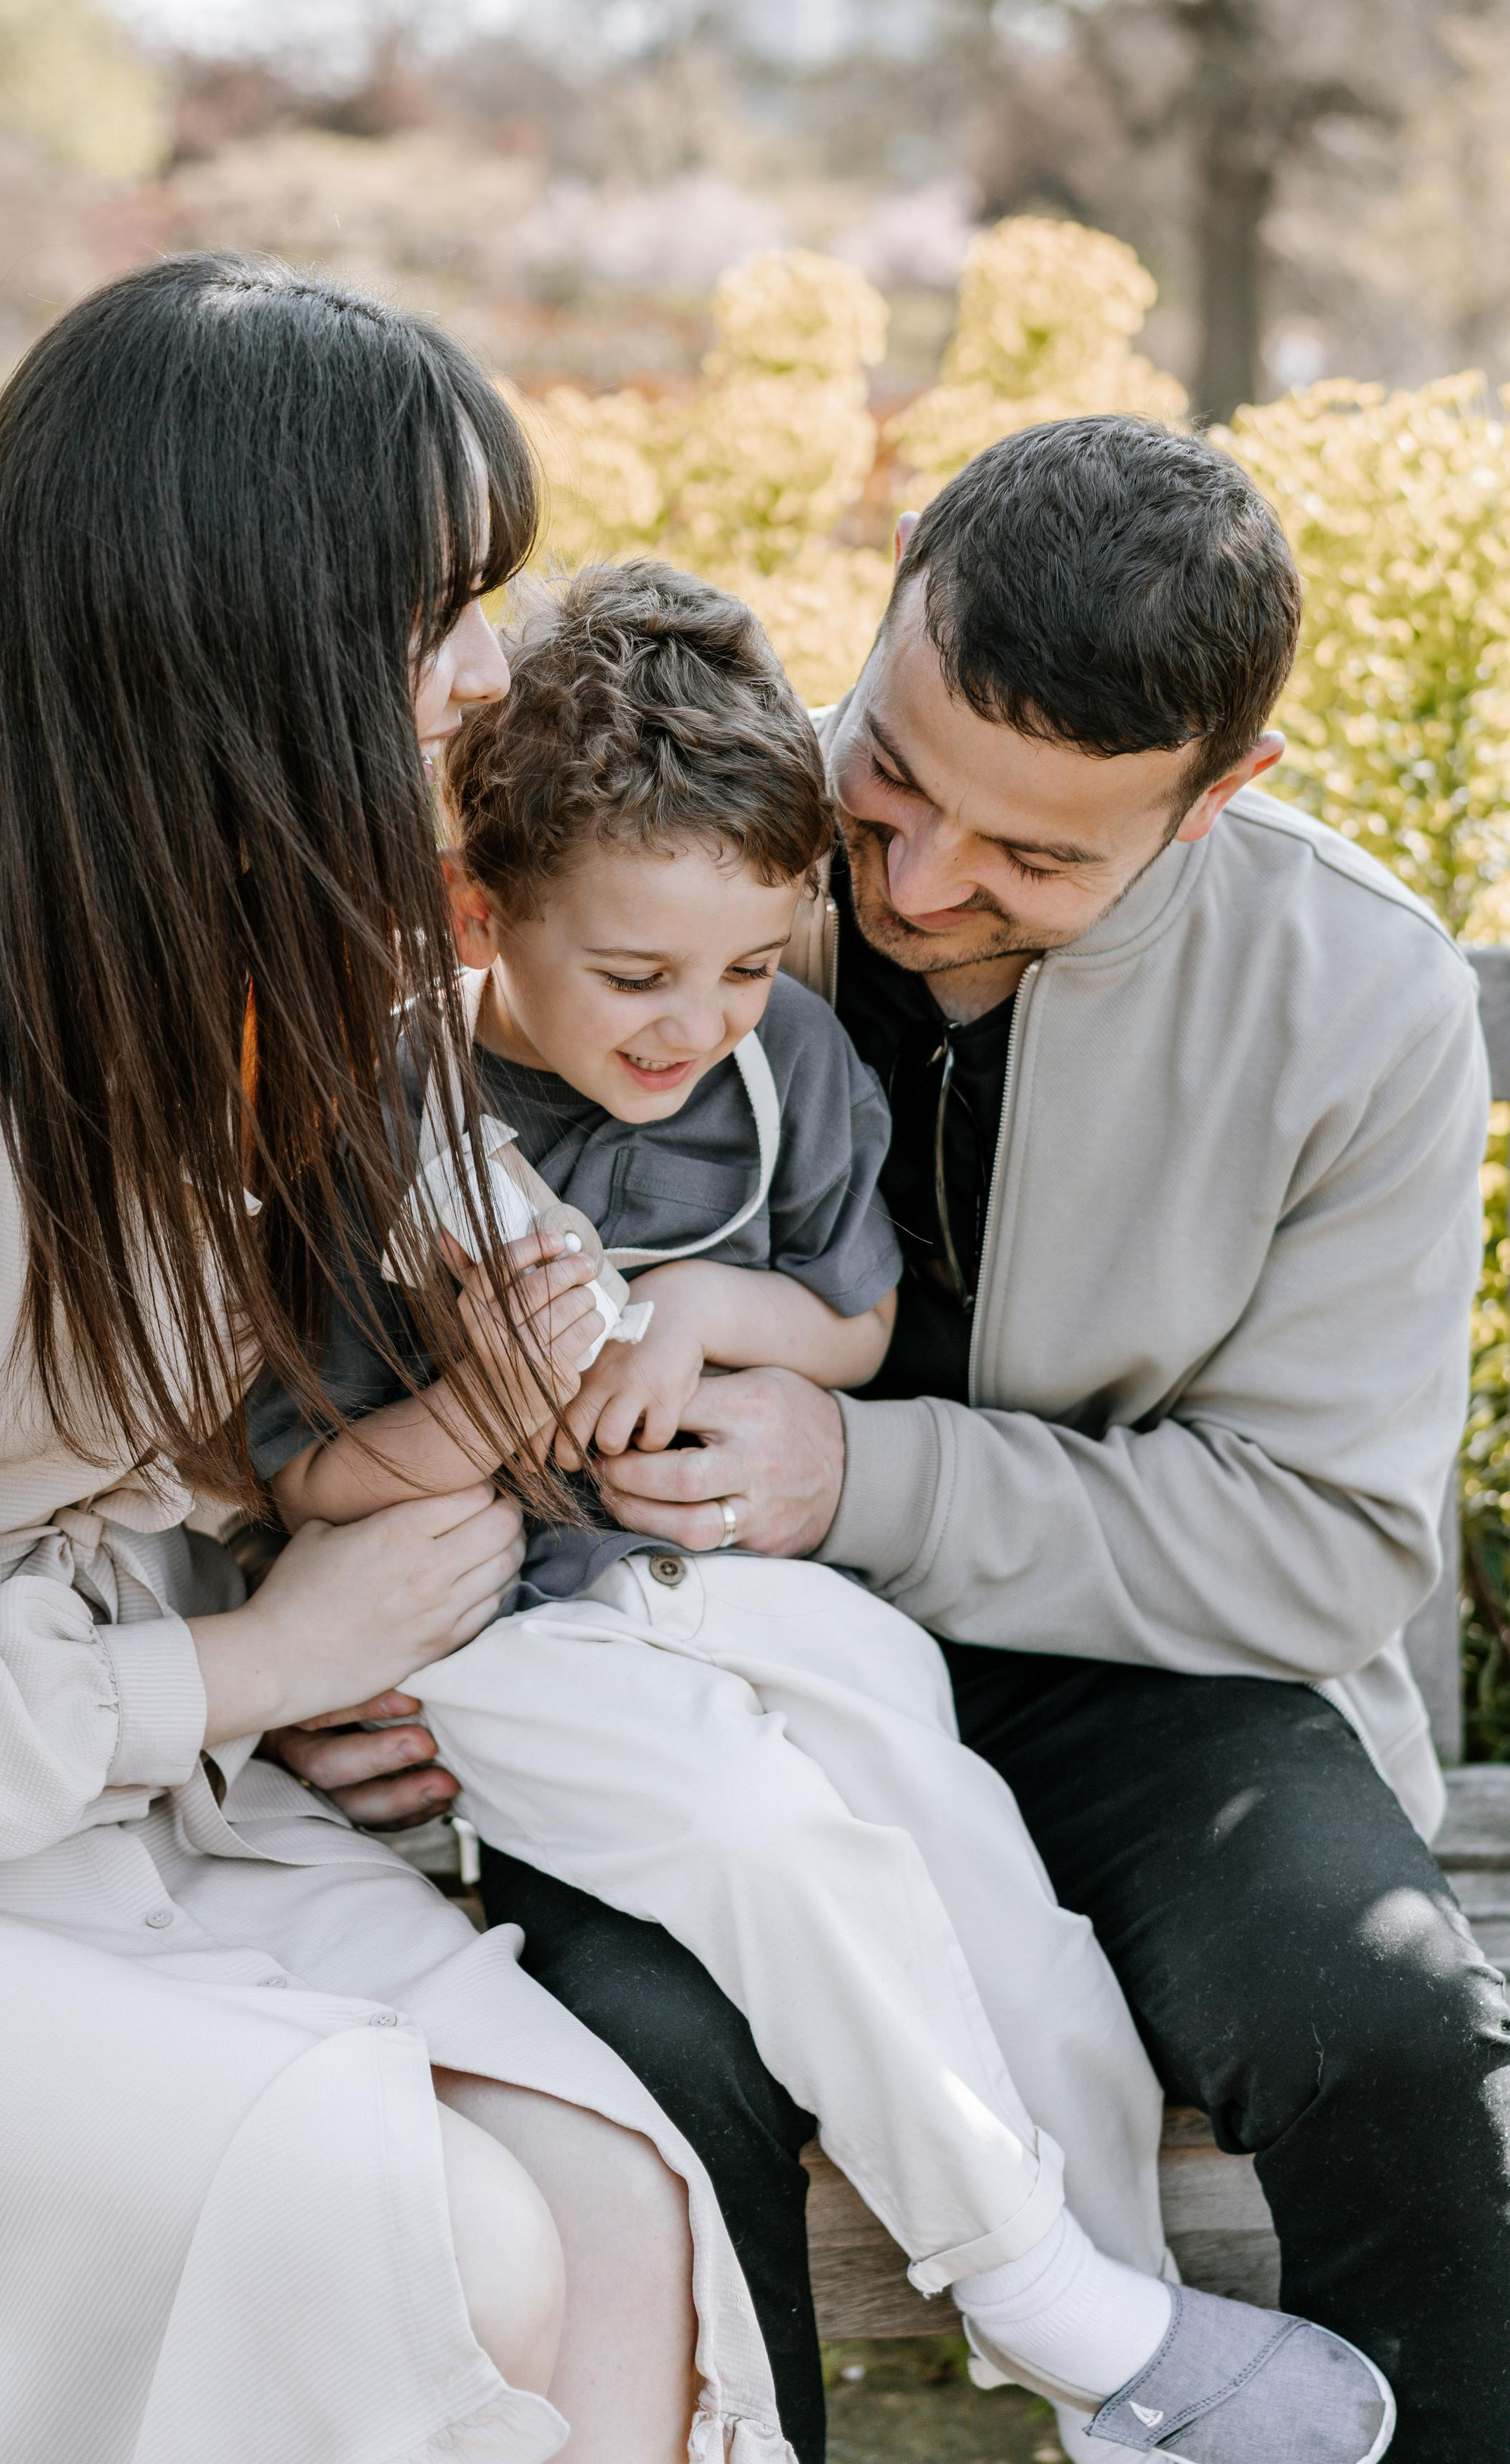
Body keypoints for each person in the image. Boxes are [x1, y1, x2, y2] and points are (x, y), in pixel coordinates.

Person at [0, 256, 788, 2464]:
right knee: (447, 2247)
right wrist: (257, 1666)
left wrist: (525, 1368)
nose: (487, 669)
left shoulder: (264, 932)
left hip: (146, 1827)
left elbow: (395, 1299)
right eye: (437, 607)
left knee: (618, 2206)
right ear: (239, 621)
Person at [273, 416, 1504, 2464]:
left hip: (1136, 1674)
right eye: (903, 780)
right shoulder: (667, 845)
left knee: (1376, 2020)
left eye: (1035, 860)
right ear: (904, 560)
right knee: (654, 2055)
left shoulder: (1354, 1000)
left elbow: (1319, 1544)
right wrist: (320, 1655)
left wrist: (867, 1477)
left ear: (1221, 800)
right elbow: (303, 1313)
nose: (920, 886)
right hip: (666, 1633)